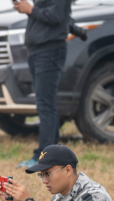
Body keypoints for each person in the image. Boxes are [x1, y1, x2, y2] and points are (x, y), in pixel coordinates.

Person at [13, 0, 71, 168]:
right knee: (45, 105)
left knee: (46, 106)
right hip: (38, 51)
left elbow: (56, 15)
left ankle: (44, 157)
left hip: (50, 51)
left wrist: (30, 9)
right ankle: (50, 156)